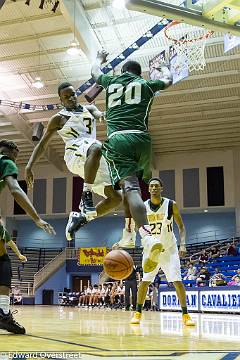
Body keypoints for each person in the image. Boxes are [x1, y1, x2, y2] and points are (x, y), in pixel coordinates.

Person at [91, 50, 173, 272]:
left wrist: (100, 59)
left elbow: (94, 72)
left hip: (119, 139)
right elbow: (168, 80)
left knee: (130, 189)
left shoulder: (111, 81)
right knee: (135, 189)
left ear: (124, 71)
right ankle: (130, 233)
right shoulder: (146, 84)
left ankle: (146, 237)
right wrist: (163, 66)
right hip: (142, 140)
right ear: (139, 73)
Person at [24, 82, 124, 241]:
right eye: (66, 97)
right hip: (74, 153)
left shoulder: (89, 109)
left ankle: (80, 219)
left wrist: (107, 114)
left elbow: (100, 115)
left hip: (93, 157)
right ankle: (86, 195)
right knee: (97, 146)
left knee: (117, 198)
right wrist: (29, 165)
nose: (71, 98)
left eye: (72, 94)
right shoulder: (58, 119)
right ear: (61, 100)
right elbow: (43, 144)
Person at [0, 140, 55, 334]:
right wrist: (37, 218)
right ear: (13, 152)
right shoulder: (6, 161)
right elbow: (15, 189)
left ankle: (3, 312)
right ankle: (3, 313)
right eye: (18, 152)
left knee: (3, 260)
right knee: (3, 262)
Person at [130, 178, 195, 326]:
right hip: (151, 250)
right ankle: (138, 312)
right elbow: (136, 228)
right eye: (151, 186)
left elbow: (182, 227)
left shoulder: (171, 205)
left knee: (177, 281)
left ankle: (185, 315)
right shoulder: (143, 207)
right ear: (148, 189)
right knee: (144, 282)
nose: (153, 188)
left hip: (169, 249)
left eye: (156, 186)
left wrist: (183, 245)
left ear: (161, 188)